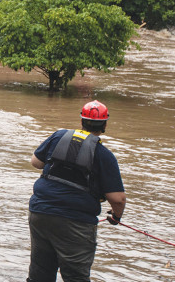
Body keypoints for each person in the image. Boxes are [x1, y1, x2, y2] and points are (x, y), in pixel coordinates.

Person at [27, 100, 126, 282]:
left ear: (81, 121)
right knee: (76, 277)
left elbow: (36, 162)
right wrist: (116, 217)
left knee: (40, 273)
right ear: (105, 125)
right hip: (76, 223)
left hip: (40, 213)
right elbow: (118, 199)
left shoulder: (58, 136)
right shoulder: (104, 155)